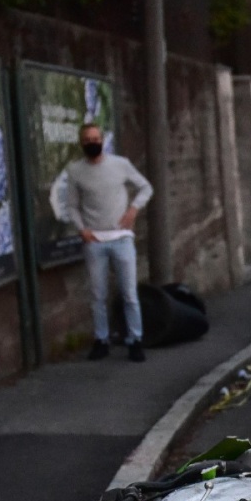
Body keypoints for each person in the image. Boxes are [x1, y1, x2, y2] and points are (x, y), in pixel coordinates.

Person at [64, 123, 154, 361]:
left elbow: (146, 187)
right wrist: (82, 230)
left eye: (95, 138)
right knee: (97, 295)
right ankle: (101, 339)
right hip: (94, 240)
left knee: (129, 293)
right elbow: (72, 205)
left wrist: (133, 209)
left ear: (102, 140)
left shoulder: (120, 164)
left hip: (122, 238)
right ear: (81, 143)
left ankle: (135, 339)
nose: (92, 142)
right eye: (87, 139)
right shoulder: (75, 171)